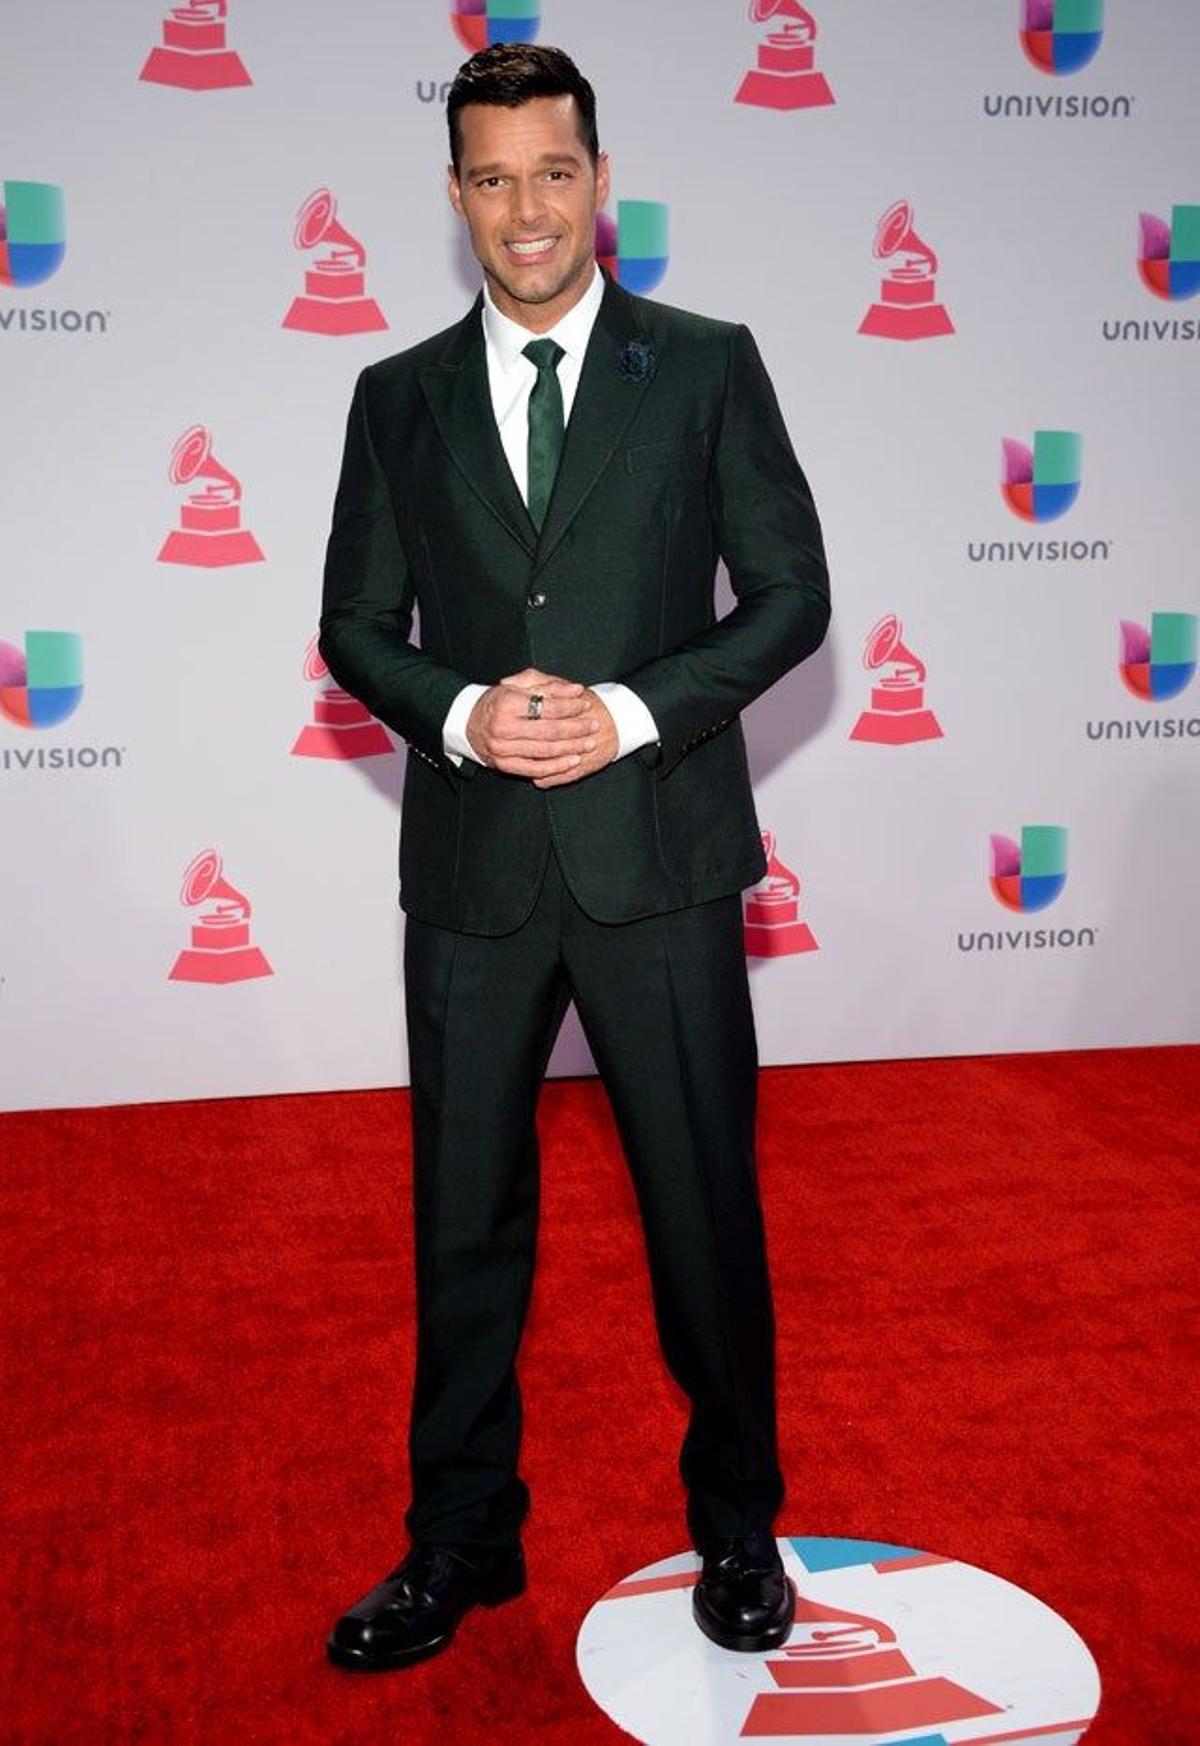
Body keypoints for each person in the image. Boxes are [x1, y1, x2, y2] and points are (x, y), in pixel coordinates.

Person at [319, 42, 829, 1673]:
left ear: (603, 183)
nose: (525, 208)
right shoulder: (394, 396)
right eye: (491, 177)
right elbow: (350, 627)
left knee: (701, 1211)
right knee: (462, 1220)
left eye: (553, 172)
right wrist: (465, 710)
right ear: (454, 193)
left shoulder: (704, 365)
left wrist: (629, 708)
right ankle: (460, 1537)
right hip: (473, 872)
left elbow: (791, 594)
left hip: (658, 860)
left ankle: (739, 1519)